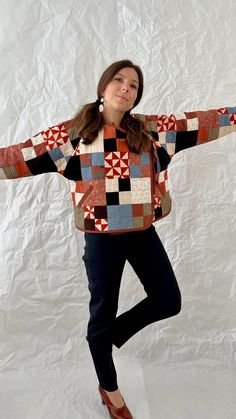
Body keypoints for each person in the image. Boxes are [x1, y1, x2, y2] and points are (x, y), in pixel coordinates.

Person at [0, 59, 235, 419]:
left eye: (134, 86)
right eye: (119, 81)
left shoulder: (152, 131)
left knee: (168, 300)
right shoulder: (72, 136)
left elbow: (204, 121)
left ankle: (107, 336)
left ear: (137, 97)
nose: (126, 88)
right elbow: (18, 156)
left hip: (142, 233)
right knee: (101, 314)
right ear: (104, 87)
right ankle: (110, 391)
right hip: (101, 239)